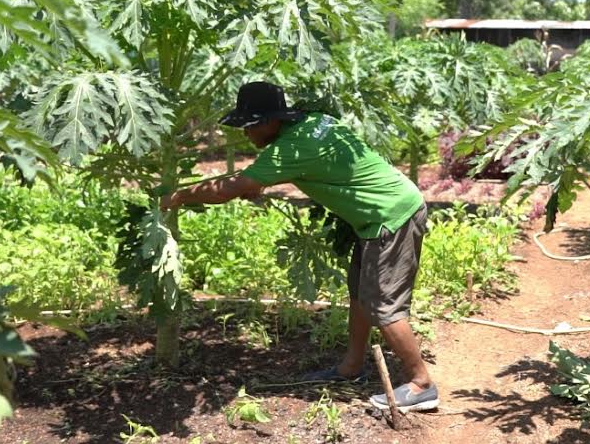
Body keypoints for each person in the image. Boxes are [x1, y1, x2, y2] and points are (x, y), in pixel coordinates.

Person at [161, 81, 438, 413]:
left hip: (392, 217)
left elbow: (228, 189)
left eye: (250, 127)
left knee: (384, 305)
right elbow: (304, 166)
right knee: (359, 294)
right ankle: (351, 366)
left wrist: (177, 197)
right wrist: (260, 181)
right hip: (380, 213)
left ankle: (421, 384)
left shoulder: (289, 151)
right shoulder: (315, 122)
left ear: (269, 121)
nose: (247, 136)